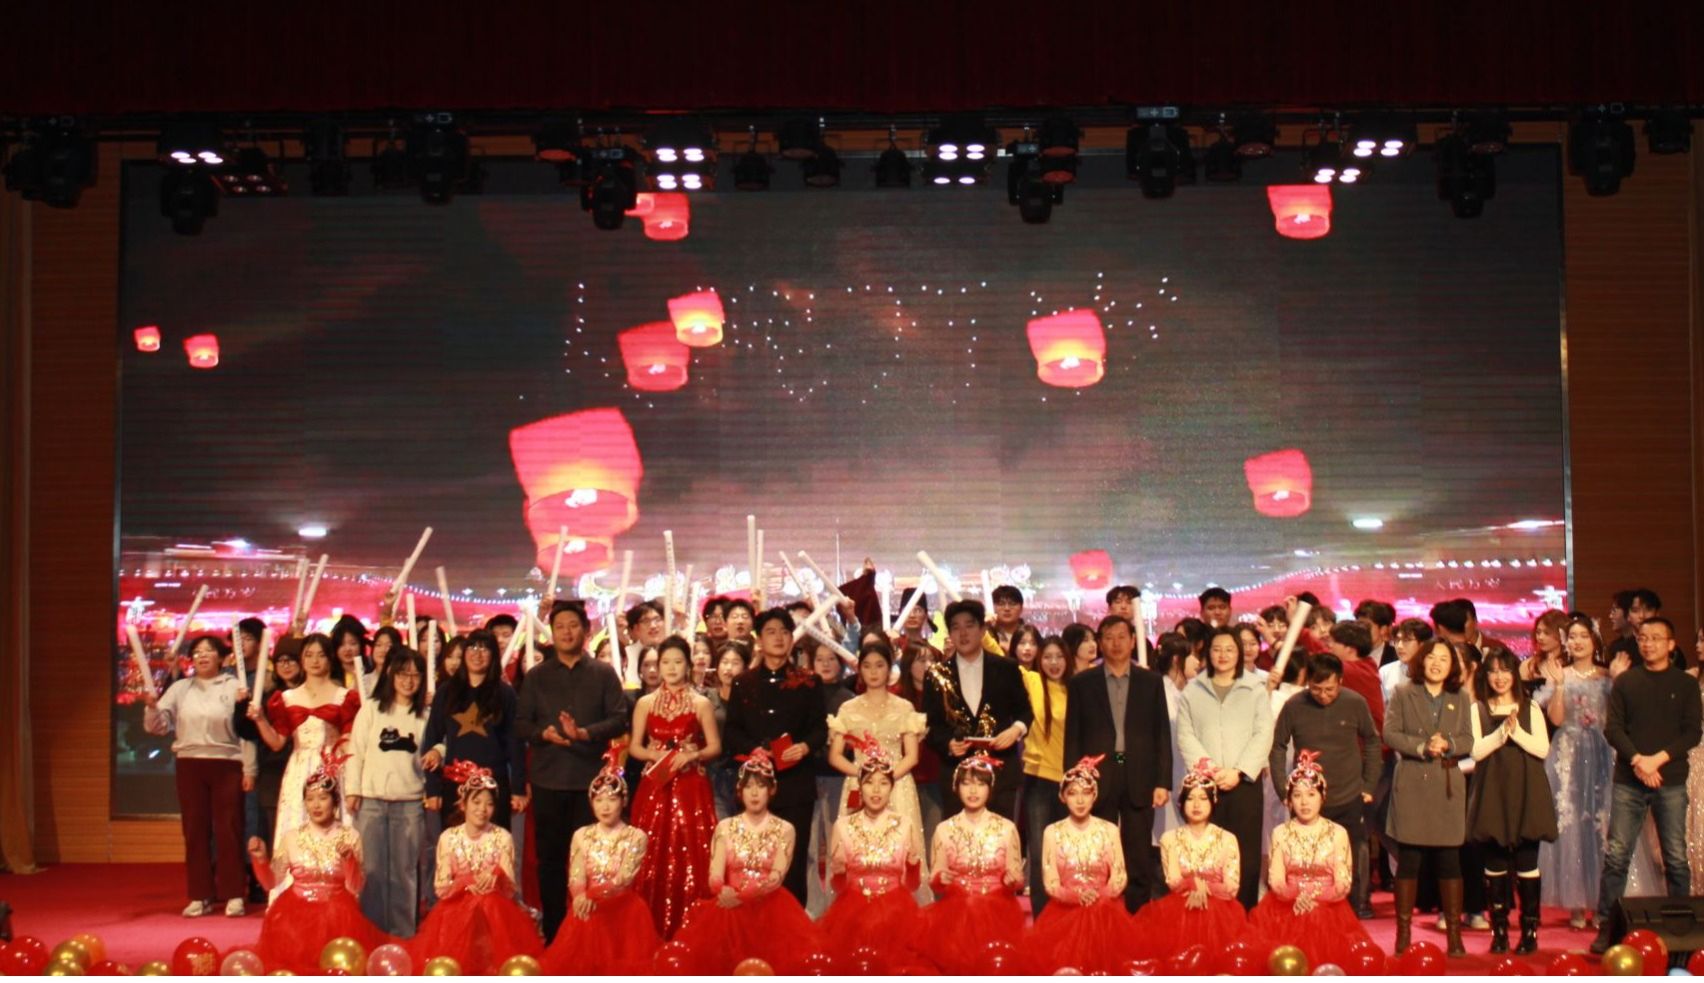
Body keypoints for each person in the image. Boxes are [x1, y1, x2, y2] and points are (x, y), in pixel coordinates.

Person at [515, 599, 630, 943]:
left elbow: (619, 718)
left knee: (593, 863)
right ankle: (554, 934)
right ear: (552, 633)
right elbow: (521, 724)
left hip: (591, 786)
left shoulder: (603, 673)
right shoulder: (536, 676)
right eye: (560, 626)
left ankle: (590, 936)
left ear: (586, 630)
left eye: (573, 625)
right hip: (548, 780)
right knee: (550, 862)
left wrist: (584, 733)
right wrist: (543, 735)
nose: (566, 632)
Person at [1591, 616, 1701, 954]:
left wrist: (1657, 760)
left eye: (1655, 638)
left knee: (1675, 857)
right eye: (1643, 638)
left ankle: (1681, 930)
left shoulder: (1685, 684)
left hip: (1670, 778)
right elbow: (1613, 729)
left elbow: (1692, 732)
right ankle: (1606, 927)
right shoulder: (1627, 682)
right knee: (1617, 855)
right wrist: (1639, 760)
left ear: (1671, 644)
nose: (1648, 644)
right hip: (1630, 778)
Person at [673, 749, 823, 975]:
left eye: (760, 786)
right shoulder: (725, 827)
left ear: (771, 790)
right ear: (739, 791)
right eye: (748, 786)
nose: (754, 793)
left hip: (770, 911)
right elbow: (714, 874)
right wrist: (721, 889)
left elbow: (776, 877)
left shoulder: (785, 829)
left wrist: (742, 896)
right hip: (729, 909)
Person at [1064, 615, 1171, 912]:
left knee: (1138, 853)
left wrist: (1162, 781)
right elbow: (1073, 736)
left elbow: (1161, 733)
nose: (1116, 643)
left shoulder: (1151, 682)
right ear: (1100, 643)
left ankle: (1138, 916)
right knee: (1100, 851)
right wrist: (1074, 781)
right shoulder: (1082, 683)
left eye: (1122, 636)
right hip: (1097, 776)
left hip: (1140, 775)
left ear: (1133, 641)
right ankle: (1102, 914)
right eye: (1109, 637)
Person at [249, 747, 387, 975]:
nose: (316, 805)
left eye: (323, 798)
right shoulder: (292, 837)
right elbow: (270, 882)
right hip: (295, 915)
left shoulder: (350, 836)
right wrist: (260, 860)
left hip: (338, 915)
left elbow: (355, 887)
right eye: (310, 799)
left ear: (335, 802)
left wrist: (349, 861)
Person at [723, 607, 828, 904]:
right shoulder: (744, 682)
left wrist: (804, 747)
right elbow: (731, 732)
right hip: (755, 784)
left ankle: (792, 919)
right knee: (755, 857)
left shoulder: (809, 681)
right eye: (771, 632)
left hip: (795, 782)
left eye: (784, 632)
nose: (779, 638)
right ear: (759, 640)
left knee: (793, 858)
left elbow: (820, 729)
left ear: (792, 639)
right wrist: (753, 749)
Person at [143, 634, 252, 918]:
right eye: (197, 652)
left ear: (221, 657)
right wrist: (152, 707)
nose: (202, 656)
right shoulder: (180, 688)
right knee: (194, 830)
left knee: (229, 829)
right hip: (189, 764)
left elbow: (245, 732)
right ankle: (200, 895)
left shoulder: (234, 686)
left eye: (209, 651)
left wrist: (248, 768)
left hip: (226, 763)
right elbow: (157, 727)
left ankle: (233, 894)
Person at [1268, 653, 1380, 921]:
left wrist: (1368, 785)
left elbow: (1372, 741)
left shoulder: (1355, 702)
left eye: (1329, 689)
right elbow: (1278, 747)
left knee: (1348, 863)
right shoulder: (1294, 705)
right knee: (1304, 864)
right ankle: (1304, 920)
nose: (1323, 695)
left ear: (1340, 681)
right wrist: (1284, 790)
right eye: (1316, 688)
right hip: (1307, 801)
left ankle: (1350, 917)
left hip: (1348, 795)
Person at [407, 761, 543, 975]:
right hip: (456, 914)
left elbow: (510, 890)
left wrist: (497, 874)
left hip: (494, 915)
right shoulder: (449, 838)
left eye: (489, 804)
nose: (482, 809)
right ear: (463, 804)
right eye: (476, 802)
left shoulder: (502, 837)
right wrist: (465, 882)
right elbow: (441, 888)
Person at [1384, 639, 1475, 956]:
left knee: (1450, 861)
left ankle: (1454, 937)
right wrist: (1422, 746)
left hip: (1447, 784)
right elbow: (1390, 734)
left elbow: (1468, 739)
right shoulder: (1402, 692)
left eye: (1444, 659)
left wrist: (1448, 744)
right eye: (1432, 657)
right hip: (1412, 782)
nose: (1437, 663)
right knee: (1409, 860)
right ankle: (1403, 935)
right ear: (1422, 661)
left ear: (1453, 666)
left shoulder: (1460, 697)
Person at [629, 635, 721, 938]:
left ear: (688, 665)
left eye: (677, 662)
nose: (670, 668)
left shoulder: (701, 703)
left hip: (690, 786)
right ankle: (647, 929)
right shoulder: (644, 703)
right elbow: (634, 747)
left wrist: (691, 755)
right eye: (665, 662)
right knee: (650, 851)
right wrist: (655, 755)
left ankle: (694, 931)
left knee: (692, 854)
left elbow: (715, 746)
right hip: (656, 785)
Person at [1468, 648, 1557, 955]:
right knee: (1494, 863)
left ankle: (1530, 931)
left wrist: (1516, 731)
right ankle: (1500, 931)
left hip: (1527, 791)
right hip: (1493, 791)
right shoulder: (1478, 709)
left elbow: (1542, 749)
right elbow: (1476, 751)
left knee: (1527, 862)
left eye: (1505, 670)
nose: (1499, 677)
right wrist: (1500, 735)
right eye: (1493, 671)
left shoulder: (1529, 707)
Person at [1176, 626, 1273, 910]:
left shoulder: (1255, 688)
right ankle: (1210, 914)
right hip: (1205, 785)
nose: (1223, 655)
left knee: (1245, 851)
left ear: (1239, 653)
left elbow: (1263, 733)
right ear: (1207, 653)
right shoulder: (1193, 690)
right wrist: (1209, 770)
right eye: (1217, 649)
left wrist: (1239, 771)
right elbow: (1185, 734)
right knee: (1208, 851)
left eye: (1230, 650)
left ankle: (1244, 914)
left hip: (1244, 782)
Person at [1249, 750, 1373, 969]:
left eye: (1311, 794)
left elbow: (1343, 883)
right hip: (1286, 906)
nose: (1304, 802)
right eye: (1297, 795)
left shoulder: (1338, 833)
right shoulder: (1280, 833)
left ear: (1322, 797)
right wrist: (1298, 896)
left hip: (1329, 908)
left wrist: (1314, 898)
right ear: (1289, 800)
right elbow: (1276, 880)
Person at [828, 638, 930, 902]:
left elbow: (912, 756)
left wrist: (885, 778)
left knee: (900, 853)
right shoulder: (847, 708)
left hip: (897, 784)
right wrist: (864, 777)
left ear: (890, 667)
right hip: (858, 784)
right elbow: (835, 756)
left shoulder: (904, 707)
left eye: (880, 665)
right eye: (867, 666)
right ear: (859, 669)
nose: (873, 672)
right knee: (858, 852)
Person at [541, 744, 657, 976]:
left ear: (623, 801)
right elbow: (576, 874)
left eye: (611, 799)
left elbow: (624, 878)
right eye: (599, 800)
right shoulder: (581, 835)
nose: (605, 806)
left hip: (624, 912)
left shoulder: (636, 836)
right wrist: (580, 896)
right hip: (588, 909)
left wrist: (592, 895)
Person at [1533, 615, 1613, 928]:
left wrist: (1619, 680)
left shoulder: (1608, 676)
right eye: (1573, 637)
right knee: (1572, 824)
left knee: (1601, 824)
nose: (1577, 642)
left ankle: (1603, 904)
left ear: (1595, 641)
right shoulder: (1560, 674)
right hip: (1568, 753)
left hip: (1602, 752)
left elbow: (1615, 717)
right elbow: (1555, 719)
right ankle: (1577, 904)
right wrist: (1559, 685)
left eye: (1584, 636)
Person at [1130, 759, 1253, 958]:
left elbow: (1232, 887)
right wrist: (1194, 884)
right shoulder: (1169, 838)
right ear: (1182, 802)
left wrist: (1205, 888)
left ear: (1212, 802)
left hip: (1221, 914)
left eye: (1203, 798)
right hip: (1180, 908)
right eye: (1190, 798)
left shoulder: (1227, 838)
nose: (1196, 805)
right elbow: (1173, 881)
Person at [923, 599, 1033, 821]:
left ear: (982, 630)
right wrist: (948, 744)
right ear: (950, 634)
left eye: (969, 625)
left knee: (1001, 837)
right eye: (956, 627)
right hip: (956, 777)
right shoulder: (936, 674)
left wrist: (1015, 730)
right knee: (958, 840)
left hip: (1001, 773)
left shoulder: (1007, 668)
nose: (963, 633)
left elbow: (1025, 711)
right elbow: (931, 726)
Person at [248, 633, 360, 851]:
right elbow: (277, 743)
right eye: (309, 655)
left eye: (321, 655)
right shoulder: (287, 698)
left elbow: (349, 740)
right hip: (299, 769)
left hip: (333, 767)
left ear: (330, 659)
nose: (314, 661)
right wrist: (260, 720)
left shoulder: (345, 696)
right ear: (302, 659)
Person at [819, 741, 923, 973]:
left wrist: (913, 867)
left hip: (896, 913)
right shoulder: (843, 826)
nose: (876, 790)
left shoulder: (905, 824)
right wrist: (839, 873)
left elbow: (912, 885)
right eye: (869, 783)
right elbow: (838, 887)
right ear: (860, 786)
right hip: (853, 914)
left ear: (892, 787)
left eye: (883, 783)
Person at [345, 646, 427, 938]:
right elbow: (355, 752)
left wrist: (439, 753)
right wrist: (353, 790)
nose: (408, 681)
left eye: (415, 675)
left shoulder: (425, 716)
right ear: (391, 674)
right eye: (403, 674)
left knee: (404, 871)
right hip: (371, 801)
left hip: (410, 802)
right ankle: (372, 933)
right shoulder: (371, 709)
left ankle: (403, 934)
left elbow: (437, 749)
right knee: (372, 871)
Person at [917, 754, 1025, 975]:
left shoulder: (1006, 828)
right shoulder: (944, 829)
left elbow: (1017, 879)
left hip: (997, 912)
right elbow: (935, 878)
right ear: (956, 787)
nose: (973, 791)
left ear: (990, 788)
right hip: (957, 913)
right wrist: (940, 878)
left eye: (980, 784)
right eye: (966, 783)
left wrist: (1011, 880)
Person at [1027, 755, 1136, 974]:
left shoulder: (1109, 830)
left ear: (1094, 795)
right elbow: (1050, 882)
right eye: (1072, 793)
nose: (1080, 800)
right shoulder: (1052, 832)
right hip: (1065, 911)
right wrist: (1076, 896)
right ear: (1062, 797)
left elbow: (1120, 875)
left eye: (1085, 793)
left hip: (1104, 909)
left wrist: (1100, 895)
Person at [421, 630, 523, 830]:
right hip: (454, 785)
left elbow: (515, 744)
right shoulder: (446, 691)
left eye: (484, 649)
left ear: (494, 655)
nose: (477, 653)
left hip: (494, 785)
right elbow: (432, 739)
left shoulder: (505, 694)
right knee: (454, 844)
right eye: (473, 647)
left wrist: (518, 789)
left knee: (495, 844)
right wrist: (432, 789)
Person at [1020, 634, 1072, 916]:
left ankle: (1065, 916)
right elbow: (997, 654)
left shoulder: (1077, 689)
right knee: (1041, 854)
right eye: (1048, 657)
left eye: (1059, 657)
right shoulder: (1033, 681)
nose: (1053, 663)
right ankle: (1042, 918)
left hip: (1070, 784)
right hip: (1038, 779)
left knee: (1065, 854)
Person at [806, 638, 854, 915]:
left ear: (841, 663)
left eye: (831, 658)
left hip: (839, 778)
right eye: (820, 659)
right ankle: (813, 909)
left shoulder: (848, 700)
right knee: (811, 847)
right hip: (808, 778)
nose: (825, 664)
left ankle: (838, 909)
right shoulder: (804, 694)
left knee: (838, 846)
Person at [706, 639, 749, 819]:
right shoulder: (706, 699)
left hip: (744, 773)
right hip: (714, 773)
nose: (728, 668)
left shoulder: (752, 702)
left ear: (745, 668)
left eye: (735, 663)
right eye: (724, 662)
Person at [989, 585, 1026, 654]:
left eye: (1012, 604)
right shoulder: (986, 634)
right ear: (994, 607)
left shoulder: (1029, 634)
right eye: (1001, 604)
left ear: (1021, 608)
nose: (1007, 608)